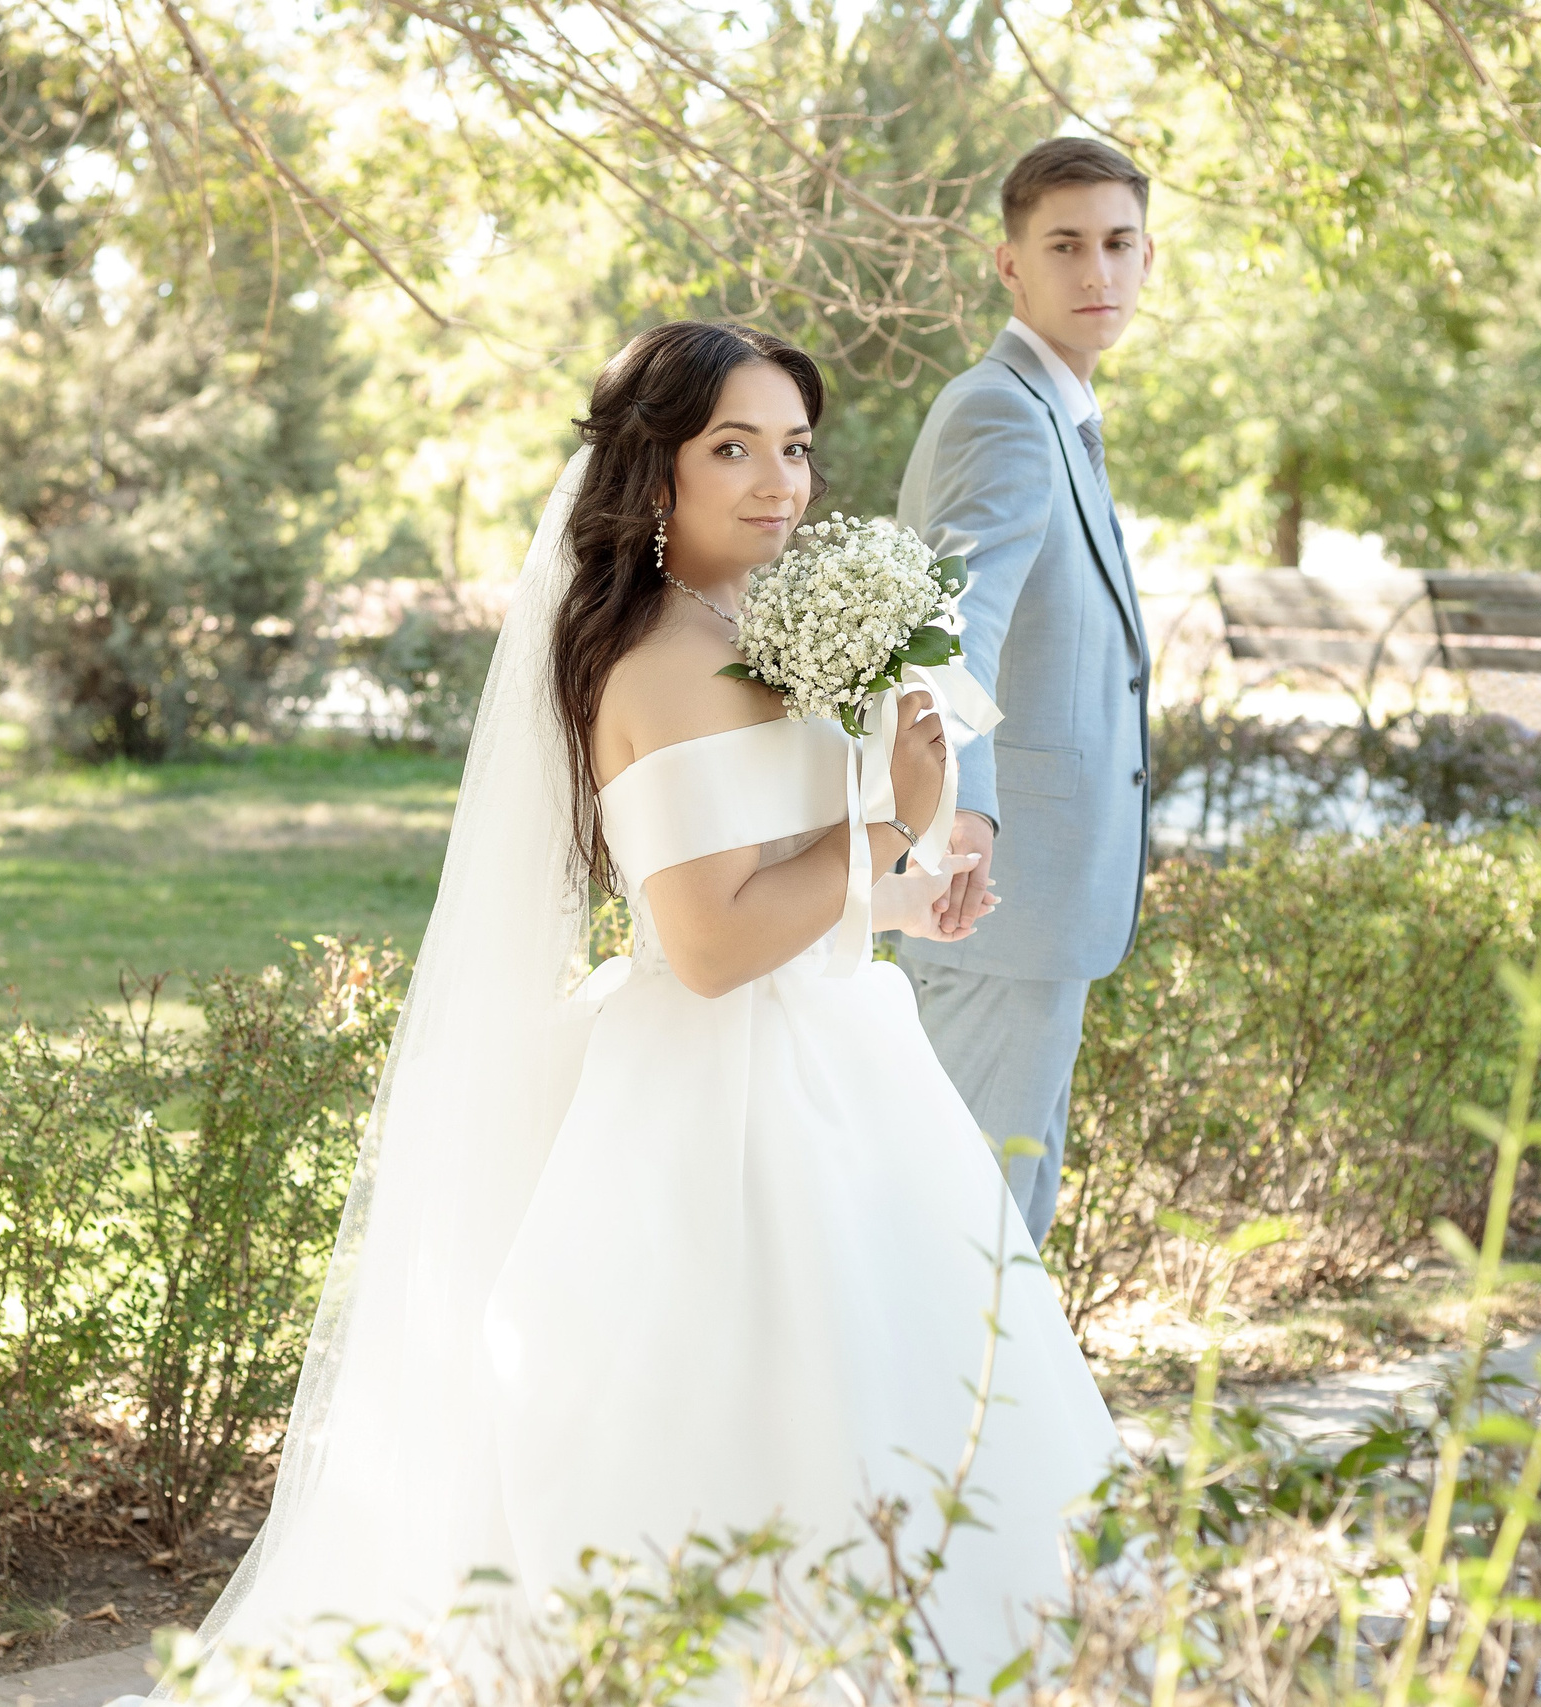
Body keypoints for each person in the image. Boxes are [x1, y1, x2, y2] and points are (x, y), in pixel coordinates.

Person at [150, 322, 1117, 1702]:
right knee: (757, 1409)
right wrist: (891, 824)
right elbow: (712, 941)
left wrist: (906, 890)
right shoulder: (658, 659)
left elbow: (789, 874)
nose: (779, 478)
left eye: (794, 445)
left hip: (840, 1057)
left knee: (902, 1386)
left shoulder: (761, 627)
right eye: (733, 447)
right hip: (722, 1094)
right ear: (652, 472)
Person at [895, 137, 1157, 1249]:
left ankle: (976, 1428)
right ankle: (938, 1430)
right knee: (972, 1228)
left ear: (1148, 258)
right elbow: (951, 619)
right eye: (1065, 246)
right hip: (996, 894)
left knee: (1002, 1219)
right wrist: (967, 807)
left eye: (1117, 243)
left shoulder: (1058, 412)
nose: (1095, 272)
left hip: (1044, 907)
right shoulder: (1000, 410)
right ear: (1010, 266)